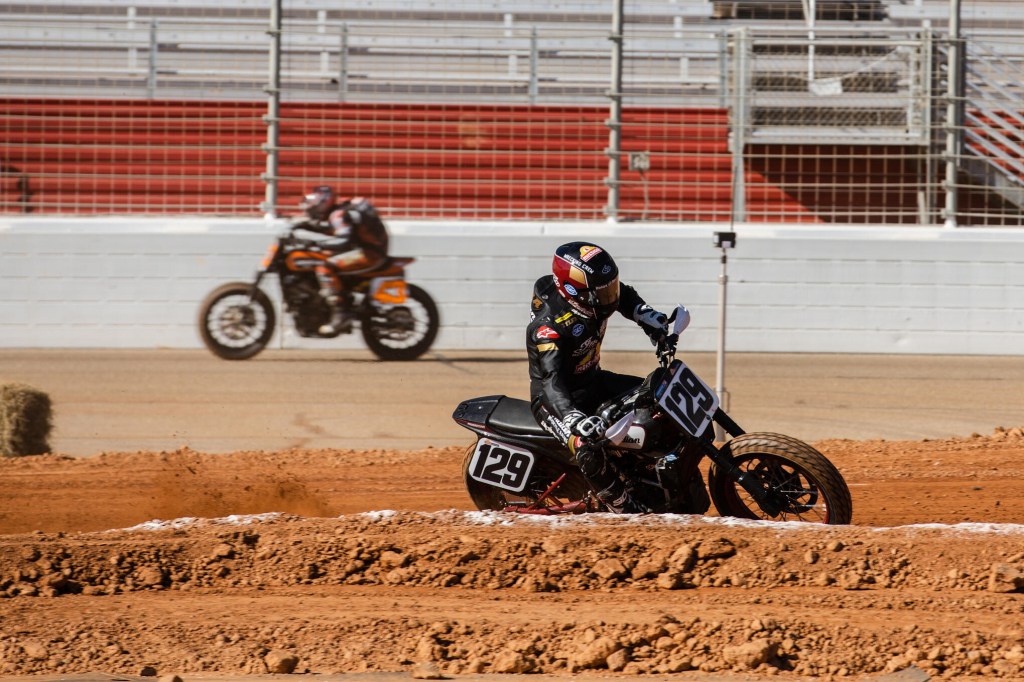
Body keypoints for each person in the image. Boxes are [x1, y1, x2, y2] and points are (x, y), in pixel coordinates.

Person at [527, 241, 674, 514]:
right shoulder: (549, 329)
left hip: (592, 380)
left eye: (610, 287)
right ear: (573, 291)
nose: (611, 298)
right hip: (555, 402)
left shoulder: (590, 298)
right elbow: (551, 380)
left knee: (657, 396)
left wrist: (648, 318)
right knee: (586, 446)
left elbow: (623, 296)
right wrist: (571, 416)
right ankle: (623, 508)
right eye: (603, 293)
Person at [295, 185, 390, 335]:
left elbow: (343, 240)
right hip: (367, 249)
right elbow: (335, 231)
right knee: (325, 257)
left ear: (323, 202)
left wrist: (315, 244)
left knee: (324, 267)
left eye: (311, 205)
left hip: (369, 253)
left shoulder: (338, 215)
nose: (309, 209)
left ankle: (341, 313)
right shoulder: (339, 212)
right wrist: (304, 227)